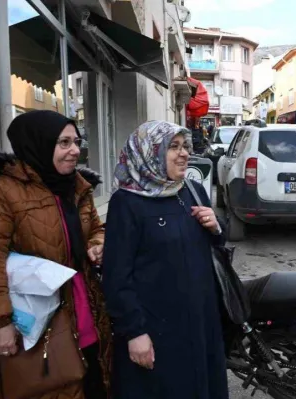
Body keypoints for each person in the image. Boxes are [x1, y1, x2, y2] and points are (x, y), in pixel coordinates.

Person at [0, 110, 112, 398]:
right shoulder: (4, 192)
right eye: (64, 143)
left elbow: (97, 228)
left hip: (86, 307)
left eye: (76, 142)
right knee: (47, 386)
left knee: (94, 382)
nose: (75, 151)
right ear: (39, 144)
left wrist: (98, 243)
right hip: (36, 319)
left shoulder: (77, 187)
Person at [102, 121, 229, 399]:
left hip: (200, 322)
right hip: (157, 330)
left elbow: (212, 244)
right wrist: (135, 333)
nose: (183, 154)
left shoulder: (192, 190)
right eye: (173, 147)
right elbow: (116, 277)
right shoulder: (127, 203)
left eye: (185, 146)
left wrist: (216, 227)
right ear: (150, 152)